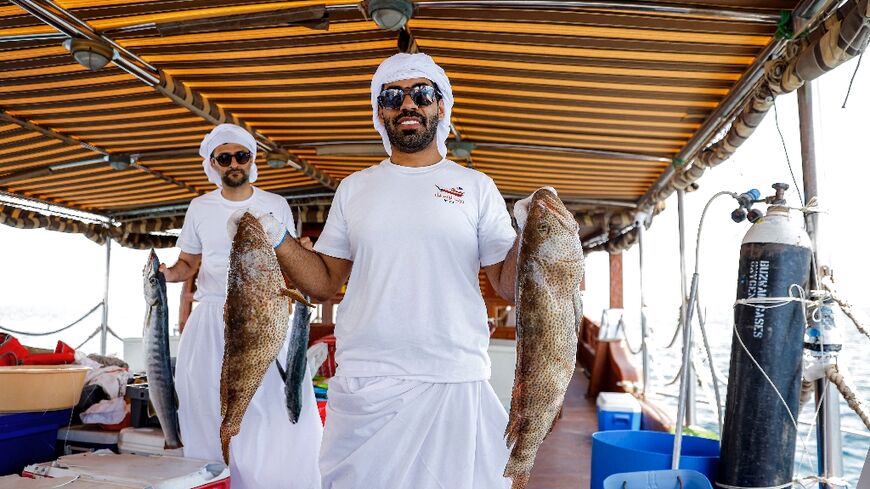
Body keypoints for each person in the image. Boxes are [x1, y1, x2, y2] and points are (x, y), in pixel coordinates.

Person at [238, 52, 553, 489]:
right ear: (380, 112)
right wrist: (277, 238)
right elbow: (324, 283)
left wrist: (529, 233)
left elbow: (508, 285)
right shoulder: (354, 188)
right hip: (366, 377)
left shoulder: (475, 186)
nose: (408, 104)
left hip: (453, 374)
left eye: (422, 94)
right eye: (392, 96)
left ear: (440, 107)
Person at [159, 123, 322, 489]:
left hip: (264, 316)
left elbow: (289, 258)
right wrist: (166, 274)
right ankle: (217, 479)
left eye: (241, 155)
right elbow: (188, 263)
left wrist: (306, 257)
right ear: (212, 164)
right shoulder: (199, 207)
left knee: (278, 408)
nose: (234, 163)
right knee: (204, 405)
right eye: (225, 157)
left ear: (252, 160)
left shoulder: (274, 204)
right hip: (211, 321)